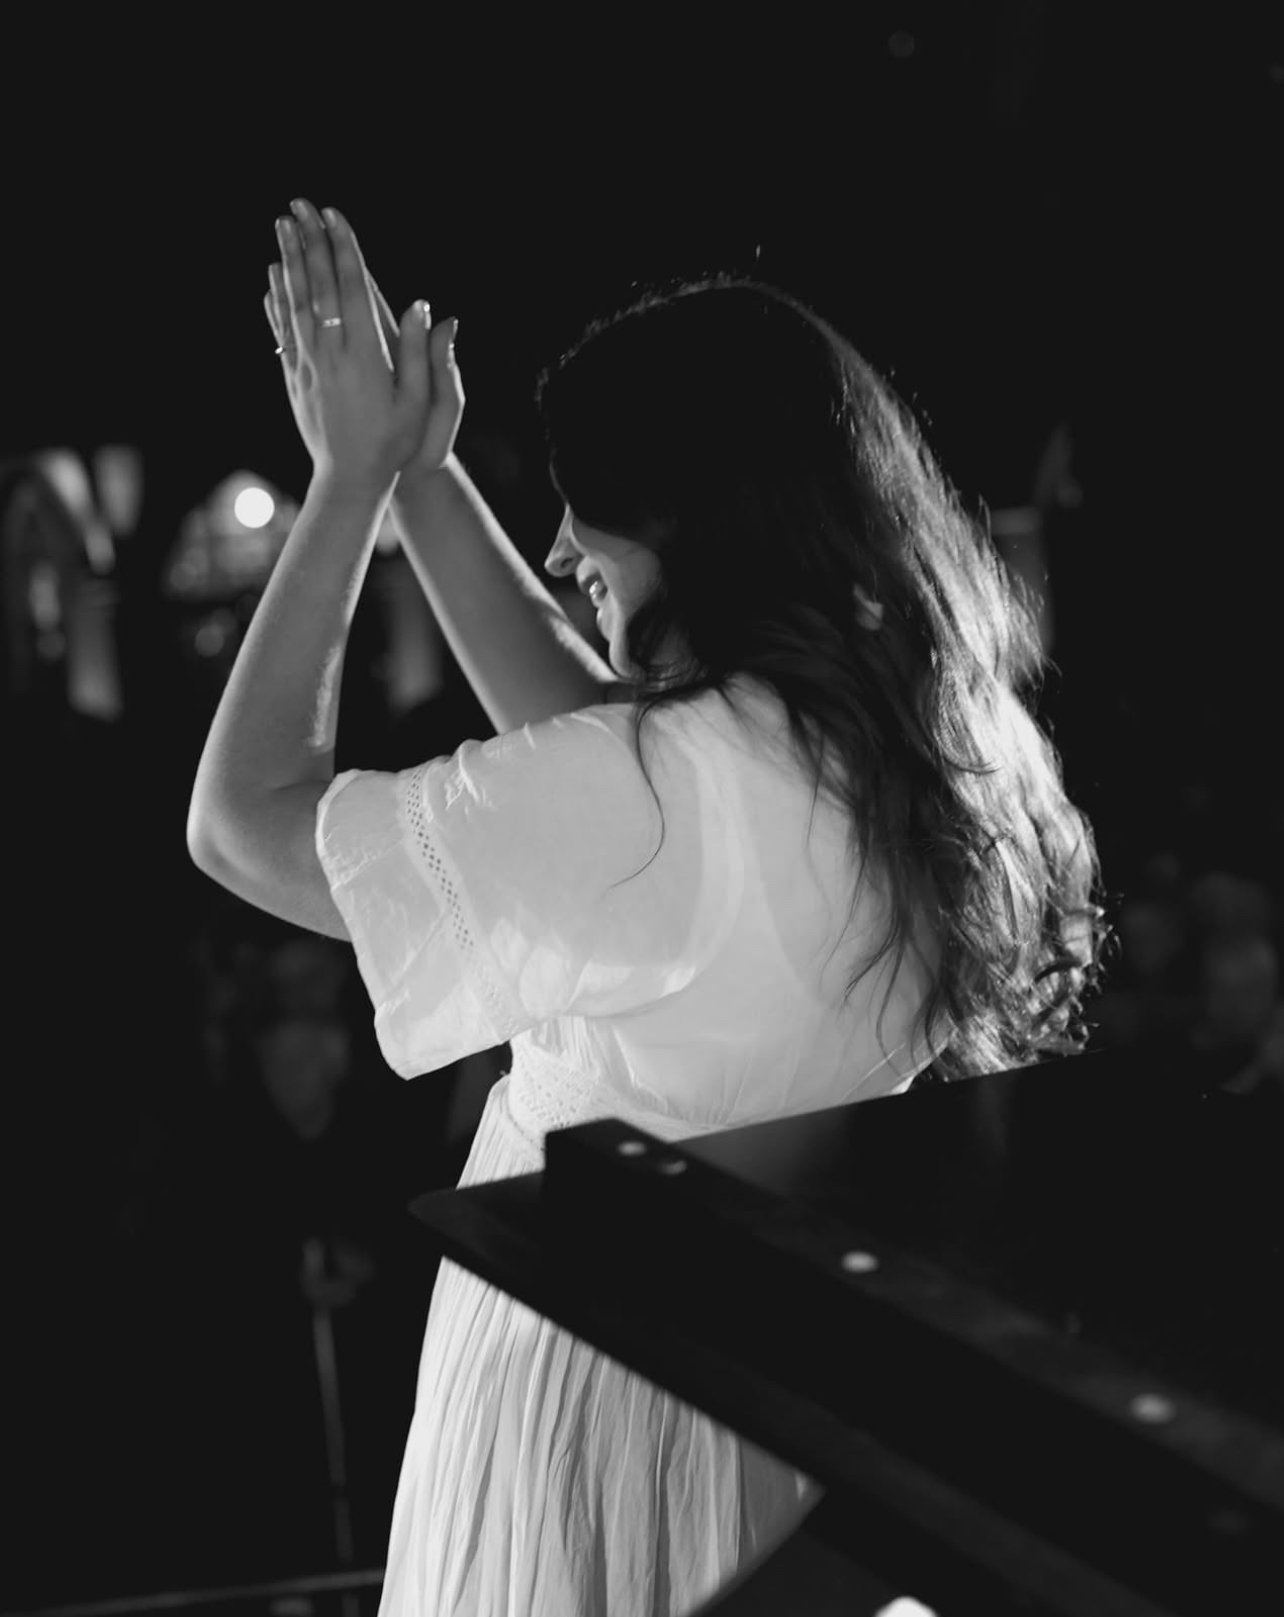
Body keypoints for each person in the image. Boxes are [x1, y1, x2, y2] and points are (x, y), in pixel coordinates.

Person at [187, 198, 1108, 1616]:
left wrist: (349, 483)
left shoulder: (661, 794)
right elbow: (599, 738)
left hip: (595, 1414)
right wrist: (429, 475)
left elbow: (242, 823)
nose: (559, 545)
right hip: (792, 1423)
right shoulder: (926, 750)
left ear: (687, 520)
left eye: (583, 503)